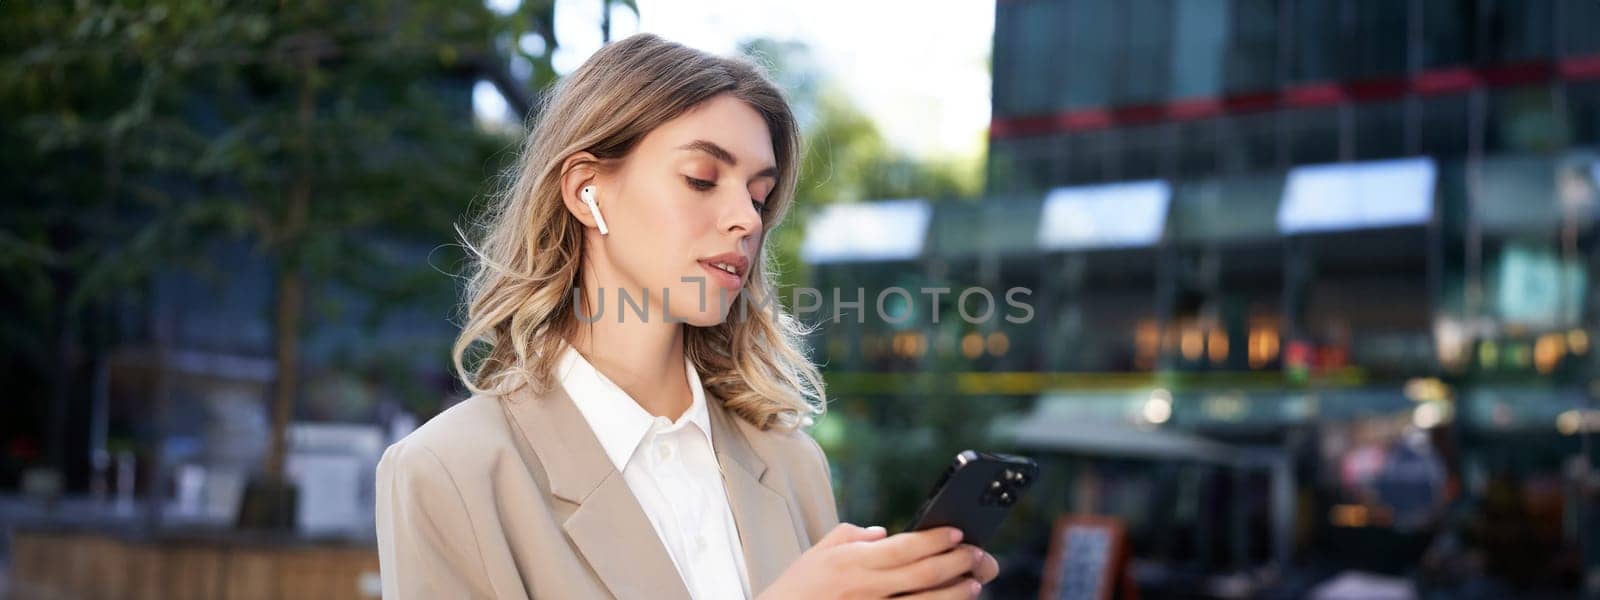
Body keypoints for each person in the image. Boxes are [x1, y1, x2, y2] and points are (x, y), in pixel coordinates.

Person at [374, 33, 999, 599]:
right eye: (703, 179)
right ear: (586, 192)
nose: (748, 220)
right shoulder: (448, 473)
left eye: (758, 195)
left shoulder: (791, 463)